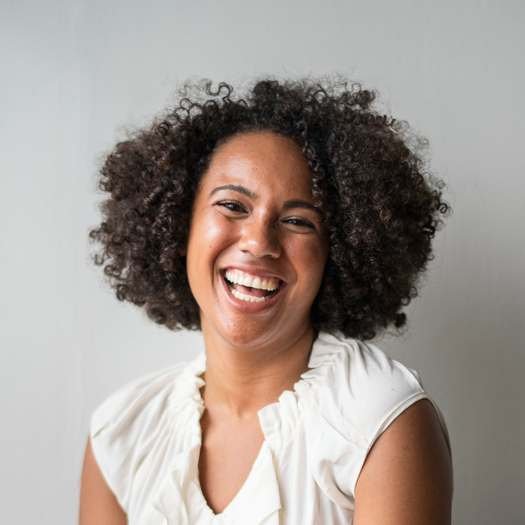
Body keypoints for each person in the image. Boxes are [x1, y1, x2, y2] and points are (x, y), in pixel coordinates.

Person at [79, 79, 453, 524]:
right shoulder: (123, 432)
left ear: (335, 253)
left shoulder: (378, 422)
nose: (258, 242)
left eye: (297, 221)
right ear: (180, 225)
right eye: (233, 206)